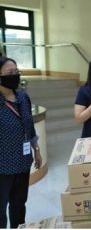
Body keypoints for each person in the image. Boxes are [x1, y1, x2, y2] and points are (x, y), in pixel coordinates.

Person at [0, 57, 41, 229]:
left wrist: (36, 150)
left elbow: (29, 126)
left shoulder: (23, 97)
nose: (15, 76)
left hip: (23, 163)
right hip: (2, 167)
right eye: (10, 73)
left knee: (19, 206)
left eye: (16, 72)